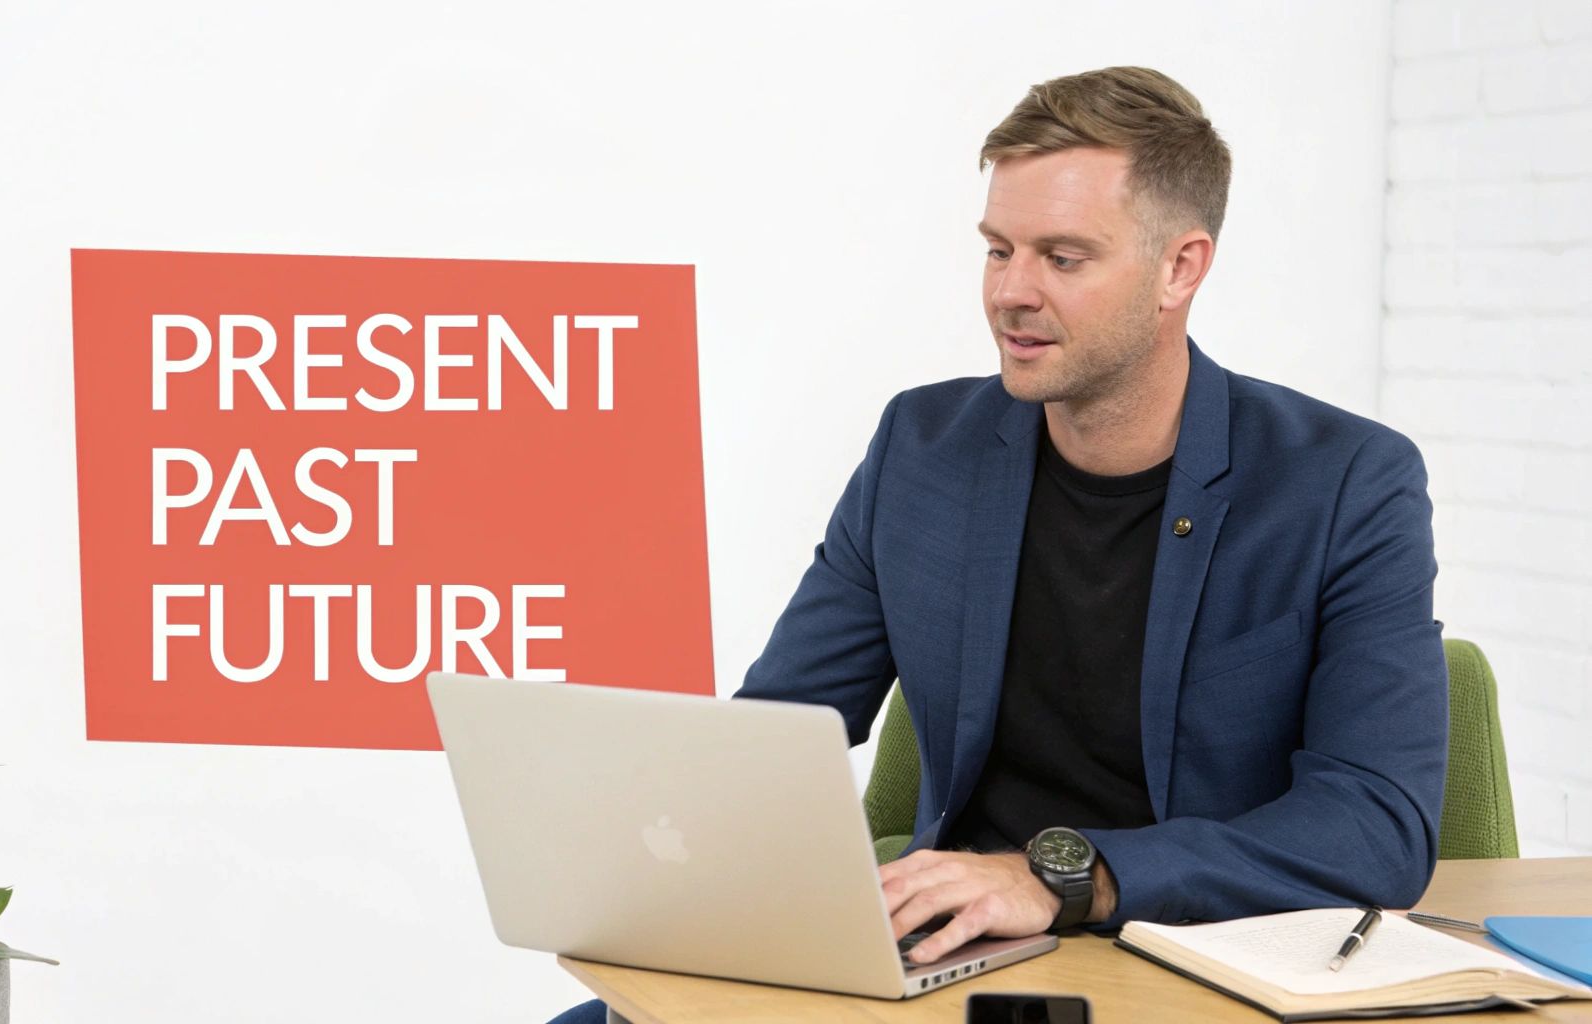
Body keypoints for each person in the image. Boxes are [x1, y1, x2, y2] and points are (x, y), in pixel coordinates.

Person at [545, 65, 1446, 1023]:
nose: (1011, 292)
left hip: (1194, 962)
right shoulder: (922, 449)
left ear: (1180, 269)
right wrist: (653, 857)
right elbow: (783, 728)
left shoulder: (1346, 480)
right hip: (958, 957)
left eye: (1063, 258)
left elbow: (1378, 826)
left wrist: (1066, 875)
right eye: (997, 249)